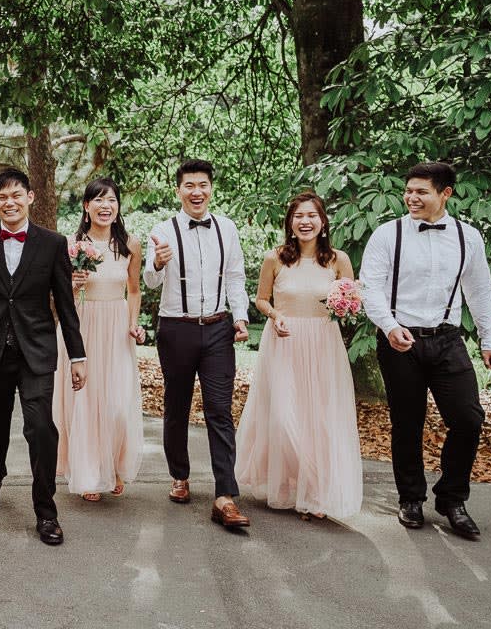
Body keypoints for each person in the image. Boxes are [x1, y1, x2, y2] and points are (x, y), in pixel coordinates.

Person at [360, 162, 491, 539]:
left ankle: (452, 498)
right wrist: (389, 327)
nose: (411, 197)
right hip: (399, 339)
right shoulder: (388, 235)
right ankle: (410, 498)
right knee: (408, 422)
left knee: (468, 418)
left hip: (447, 339)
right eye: (408, 190)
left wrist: (490, 339)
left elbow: (480, 289)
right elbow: (369, 287)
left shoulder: (467, 237)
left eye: (421, 191)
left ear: (445, 194)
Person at [0, 168, 87, 546]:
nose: (9, 202)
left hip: (37, 350)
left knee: (41, 426)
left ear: (29, 197)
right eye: (1, 197)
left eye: (16, 195)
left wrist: (78, 355)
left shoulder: (53, 243)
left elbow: (65, 303)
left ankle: (46, 511)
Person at [235, 192, 363, 520]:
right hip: (284, 341)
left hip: (323, 344)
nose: (305, 222)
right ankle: (291, 481)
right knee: (281, 416)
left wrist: (348, 306)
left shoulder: (338, 260)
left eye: (311, 216)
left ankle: (315, 492)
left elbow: (351, 302)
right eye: (298, 216)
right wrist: (274, 315)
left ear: (323, 222)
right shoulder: (274, 258)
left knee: (318, 418)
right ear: (290, 223)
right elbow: (261, 299)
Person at [144, 159, 252, 529]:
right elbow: (150, 282)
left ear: (210, 188)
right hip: (176, 328)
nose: (196, 191)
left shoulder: (227, 228)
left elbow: (236, 277)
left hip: (219, 328)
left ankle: (225, 494)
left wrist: (240, 317)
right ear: (178, 190)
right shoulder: (163, 229)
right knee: (176, 405)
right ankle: (180, 475)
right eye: (189, 185)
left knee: (220, 409)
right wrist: (157, 263)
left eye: (203, 184)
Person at [53, 177, 144, 502]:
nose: (106, 206)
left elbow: (134, 291)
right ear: (86, 206)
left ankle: (115, 464)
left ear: (118, 207)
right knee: (87, 401)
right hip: (83, 326)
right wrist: (74, 285)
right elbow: (56, 300)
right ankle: (90, 471)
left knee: (118, 403)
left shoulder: (130, 244)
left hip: (117, 327)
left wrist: (134, 324)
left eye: (112, 201)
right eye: (99, 200)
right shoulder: (70, 244)